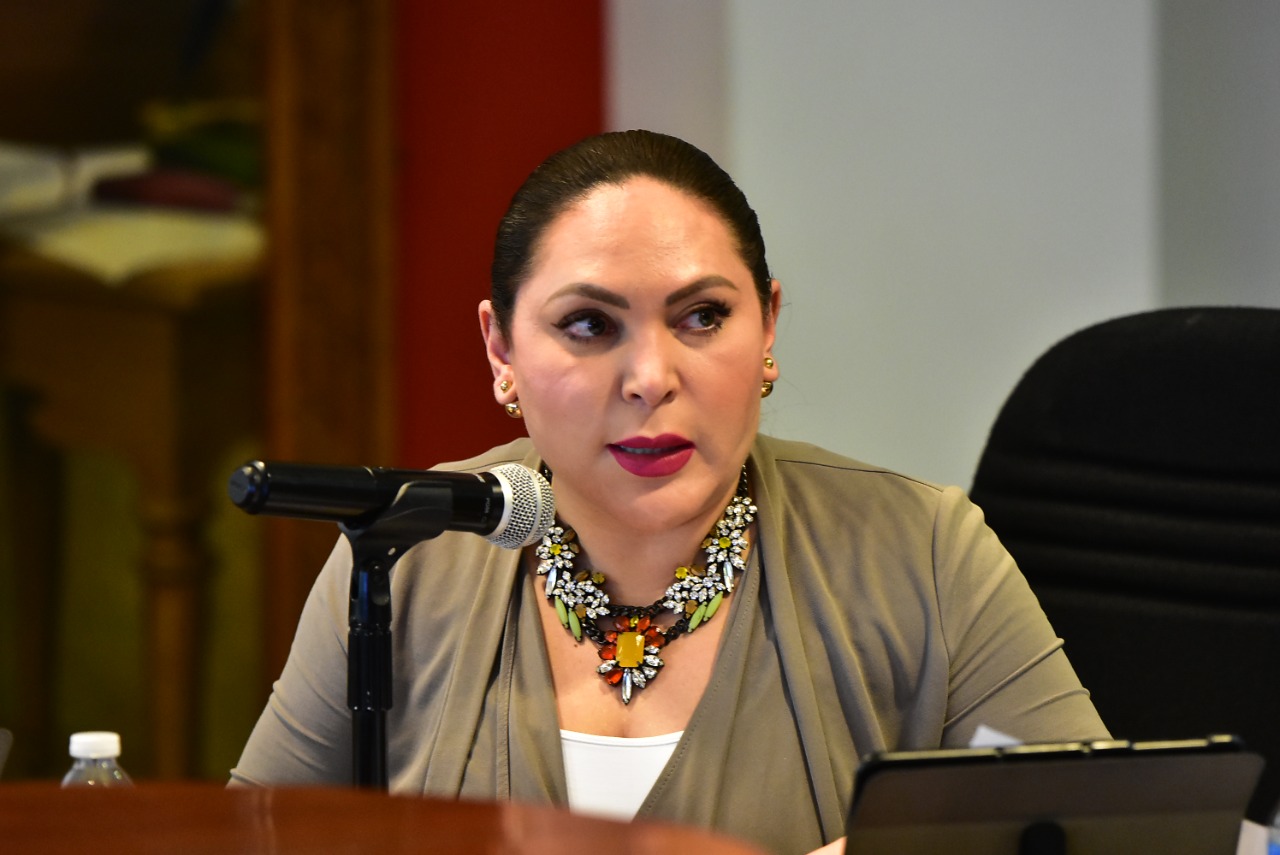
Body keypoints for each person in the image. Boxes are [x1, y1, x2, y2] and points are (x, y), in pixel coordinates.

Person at [231, 130, 1108, 854]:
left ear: (768, 325)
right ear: (502, 350)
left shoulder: (926, 551)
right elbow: (247, 836)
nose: (651, 377)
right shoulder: (407, 548)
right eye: (589, 324)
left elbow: (1102, 829)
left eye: (702, 317)